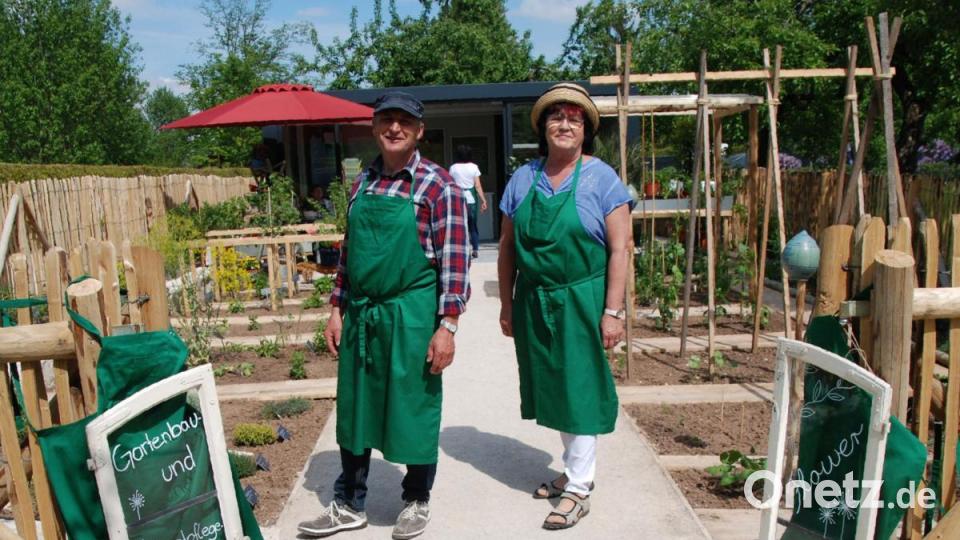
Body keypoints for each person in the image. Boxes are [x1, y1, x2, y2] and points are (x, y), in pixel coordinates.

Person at [298, 91, 469, 540]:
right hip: (362, 312)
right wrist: (336, 308)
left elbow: (455, 265)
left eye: (404, 122)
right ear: (375, 127)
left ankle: (416, 498)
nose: (395, 129)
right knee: (356, 406)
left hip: (411, 311)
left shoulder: (438, 185)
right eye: (387, 120)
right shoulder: (362, 183)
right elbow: (348, 255)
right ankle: (349, 502)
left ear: (418, 131)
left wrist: (446, 327)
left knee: (413, 403)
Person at [497, 83, 634, 530]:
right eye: (556, 116)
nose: (564, 124)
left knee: (578, 388)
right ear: (543, 127)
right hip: (535, 298)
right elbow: (506, 248)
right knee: (553, 385)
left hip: (582, 297)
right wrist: (506, 305)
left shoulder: (602, 178)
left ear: (585, 130)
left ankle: (579, 487)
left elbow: (621, 248)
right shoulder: (523, 178)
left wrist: (613, 312)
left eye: (574, 118)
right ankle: (574, 470)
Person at [448, 145, 487, 258]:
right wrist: (483, 200)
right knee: (473, 225)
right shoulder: (474, 167)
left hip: (458, 199)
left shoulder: (453, 168)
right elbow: (478, 186)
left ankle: (464, 250)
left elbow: (451, 184)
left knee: (461, 226)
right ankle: (475, 249)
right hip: (471, 200)